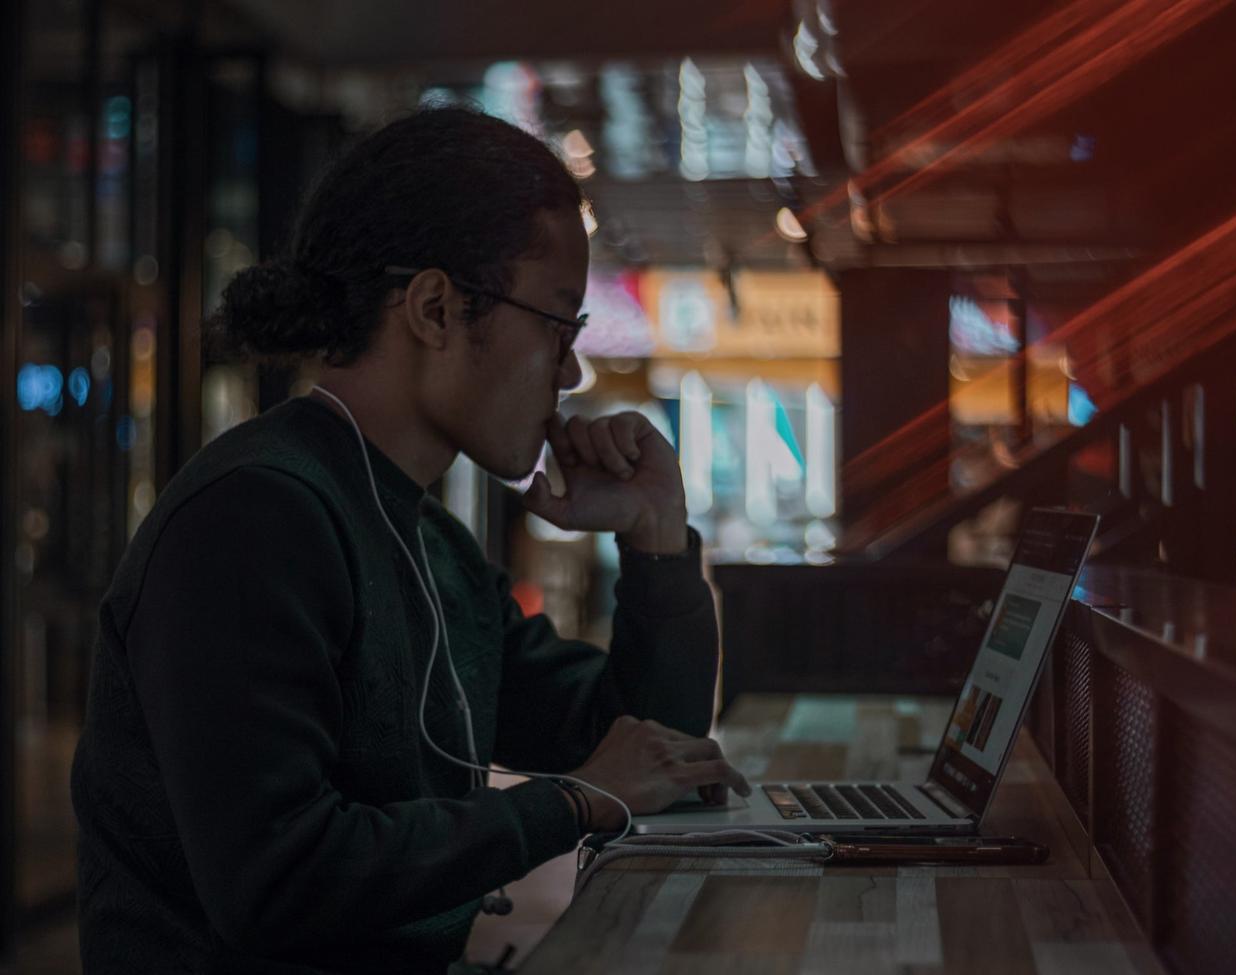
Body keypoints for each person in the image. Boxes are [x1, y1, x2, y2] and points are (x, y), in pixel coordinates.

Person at [71, 107, 750, 974]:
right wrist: (569, 804)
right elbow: (277, 879)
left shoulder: (427, 540)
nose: (572, 369)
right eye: (559, 322)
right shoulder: (254, 516)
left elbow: (652, 750)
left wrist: (655, 537)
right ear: (435, 308)